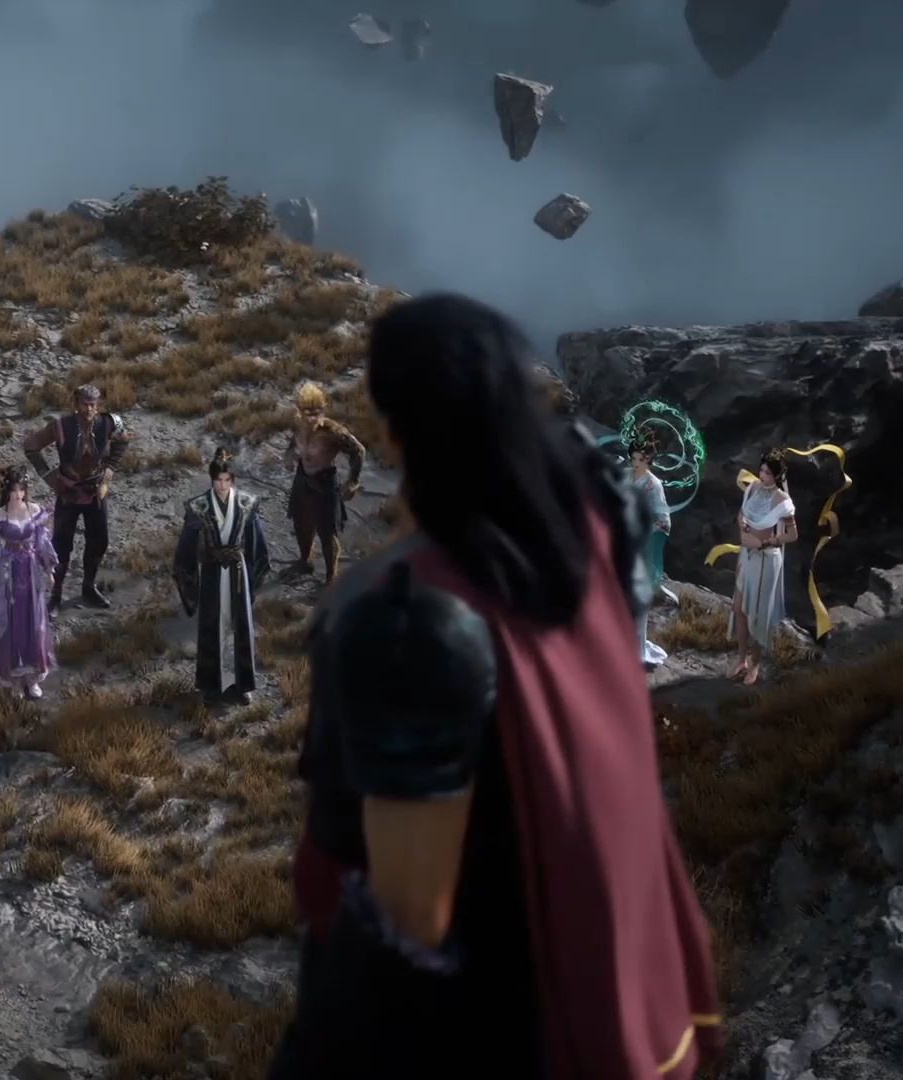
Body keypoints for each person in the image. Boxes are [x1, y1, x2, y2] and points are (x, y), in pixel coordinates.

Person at [269, 294, 721, 1079]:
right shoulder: (587, 526)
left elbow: (411, 917)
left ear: (396, 429)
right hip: (599, 962)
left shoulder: (415, 620)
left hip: (492, 1014)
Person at [173, 447, 272, 705]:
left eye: (227, 480)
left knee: (240, 625)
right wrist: (188, 574)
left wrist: (253, 573)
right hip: (213, 570)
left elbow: (255, 541)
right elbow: (186, 544)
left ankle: (242, 684)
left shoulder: (246, 503)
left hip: (238, 571)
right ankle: (211, 685)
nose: (222, 485)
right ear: (212, 480)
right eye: (218, 480)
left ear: (233, 480)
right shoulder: (199, 506)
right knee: (211, 624)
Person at [21, 383, 130, 611]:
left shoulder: (109, 422)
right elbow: (31, 446)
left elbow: (122, 441)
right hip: (68, 493)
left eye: (93, 404)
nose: (89, 409)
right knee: (61, 546)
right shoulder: (61, 426)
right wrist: (51, 478)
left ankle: (89, 587)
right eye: (84, 404)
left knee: (99, 541)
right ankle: (56, 595)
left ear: (98, 405)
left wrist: (108, 473)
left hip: (96, 491)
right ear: (76, 404)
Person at [0, 466, 59, 699]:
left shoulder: (34, 510)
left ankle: (32, 678)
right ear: (7, 491)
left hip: (30, 569)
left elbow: (42, 541)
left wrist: (49, 569)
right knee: (11, 621)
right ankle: (13, 678)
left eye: (21, 490)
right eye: (13, 491)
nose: (17, 495)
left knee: (34, 619)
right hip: (9, 571)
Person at [283, 380, 366, 584]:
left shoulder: (332, 432)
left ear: (323, 409)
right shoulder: (297, 424)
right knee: (301, 524)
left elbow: (358, 451)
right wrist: (290, 454)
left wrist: (353, 481)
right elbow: (293, 442)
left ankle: (331, 577)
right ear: (299, 410)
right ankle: (305, 561)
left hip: (324, 484)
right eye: (308, 413)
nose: (313, 418)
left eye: (317, 412)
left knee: (327, 533)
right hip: (302, 479)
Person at [729, 450, 797, 686]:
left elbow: (792, 534)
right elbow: (741, 515)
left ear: (777, 475)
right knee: (739, 609)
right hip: (746, 556)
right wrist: (744, 531)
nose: (762, 475)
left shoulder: (782, 501)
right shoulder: (752, 488)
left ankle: (755, 664)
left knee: (757, 615)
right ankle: (741, 659)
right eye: (761, 470)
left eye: (767, 472)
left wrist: (764, 542)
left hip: (766, 560)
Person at [629, 429, 674, 670]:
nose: (637, 463)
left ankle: (636, 650)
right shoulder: (625, 476)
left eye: (642, 459)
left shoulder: (653, 485)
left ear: (649, 461)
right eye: (634, 458)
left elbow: (664, 520)